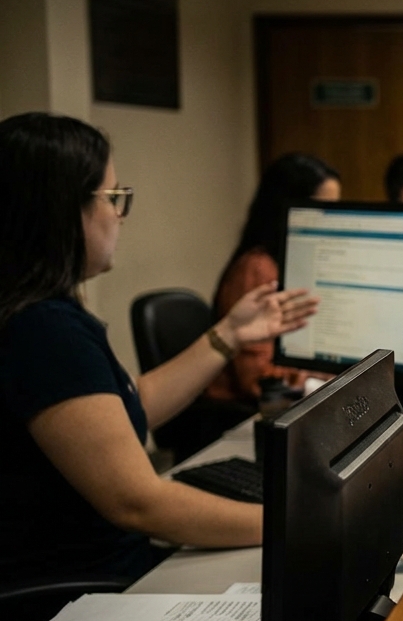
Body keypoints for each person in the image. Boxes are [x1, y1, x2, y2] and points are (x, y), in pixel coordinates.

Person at [0, 112, 317, 586]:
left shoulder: (42, 313)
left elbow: (133, 406)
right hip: (87, 595)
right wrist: (304, 522)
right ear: (64, 211)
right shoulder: (43, 330)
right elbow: (139, 502)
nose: (119, 215)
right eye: (112, 198)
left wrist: (229, 334)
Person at [206, 153, 340, 405]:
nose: (333, 219)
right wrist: (315, 375)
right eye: (324, 208)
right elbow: (258, 379)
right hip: (240, 414)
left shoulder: (296, 262)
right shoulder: (258, 268)